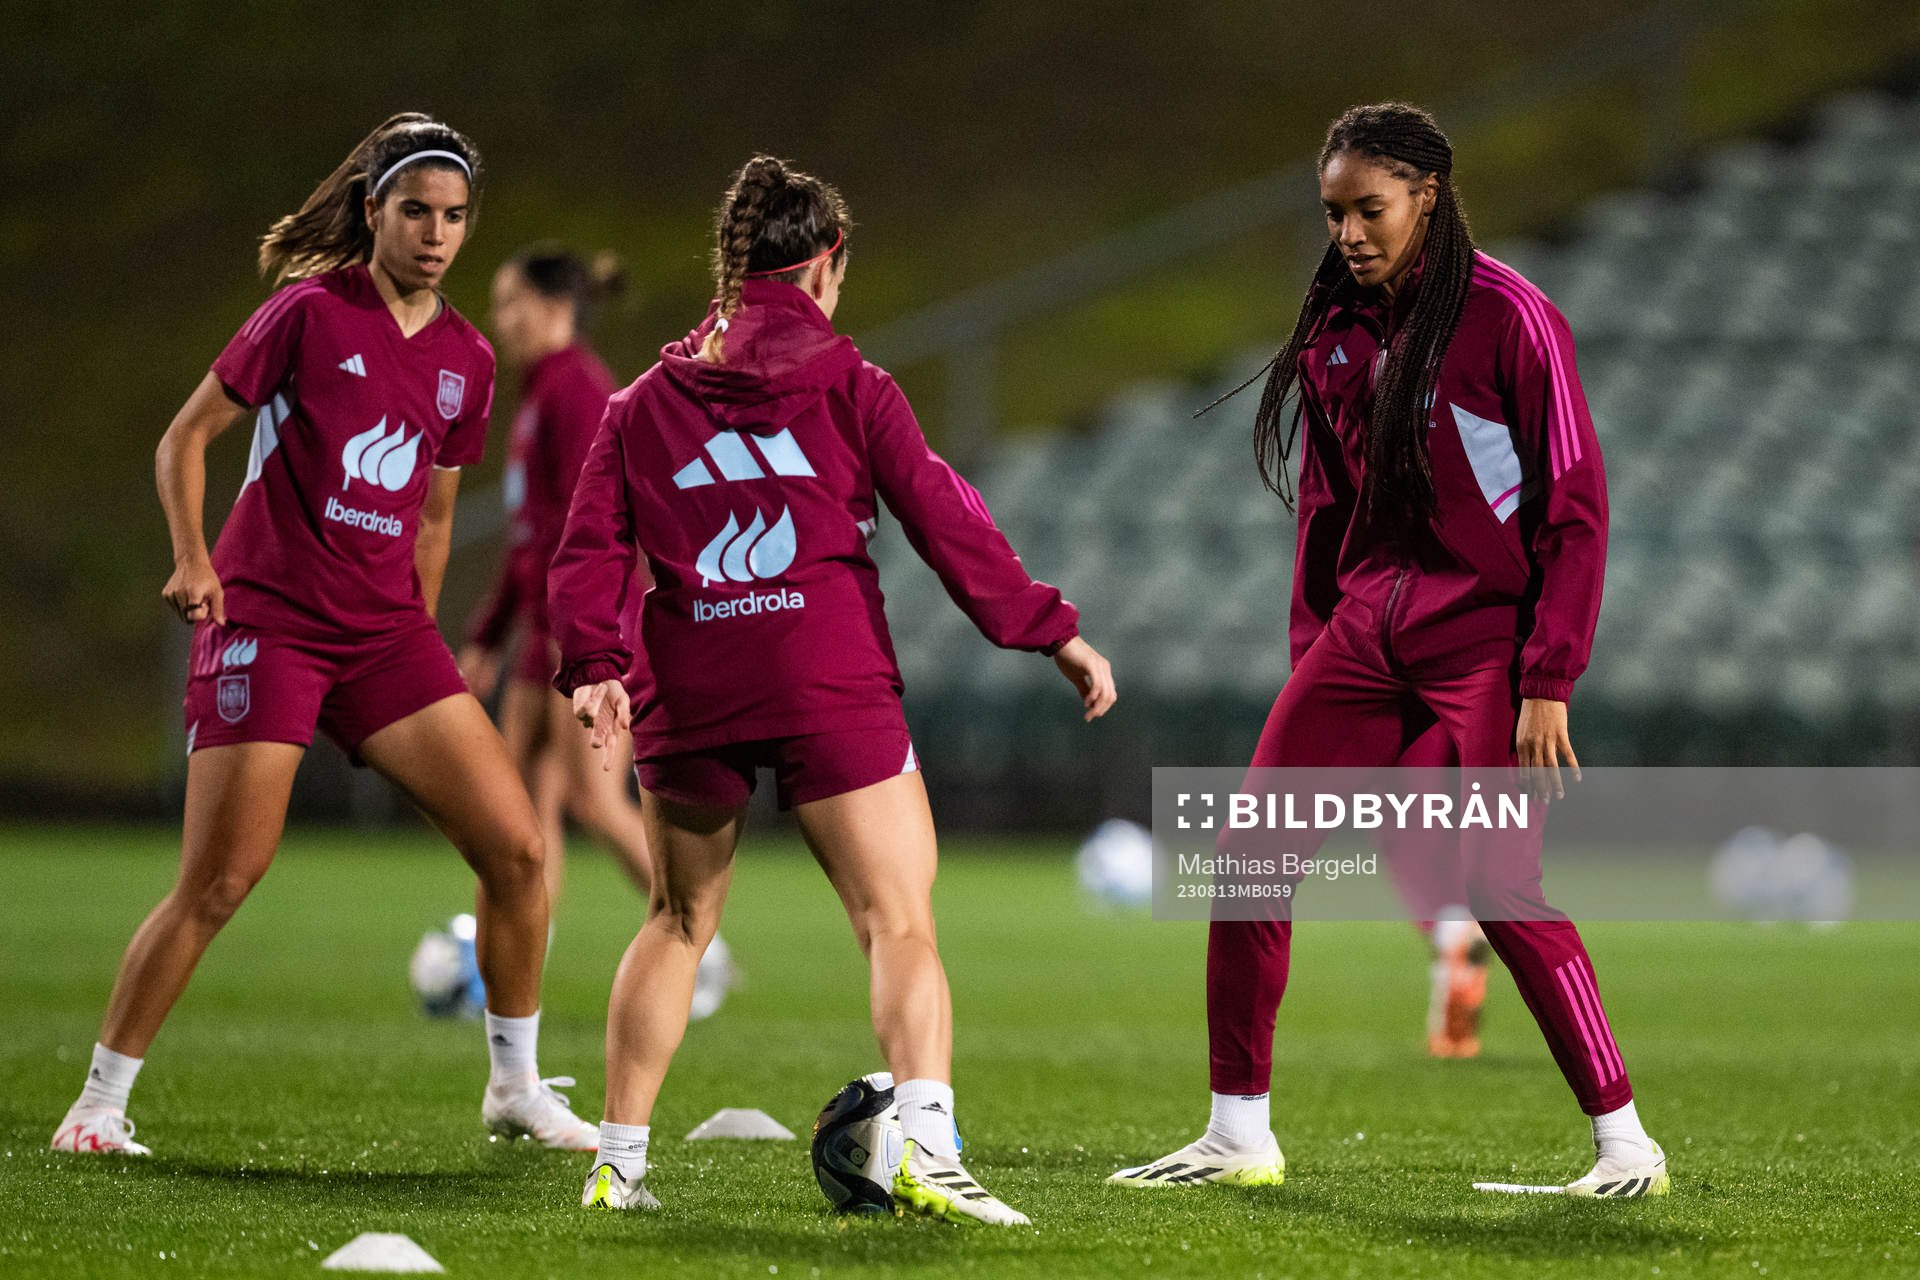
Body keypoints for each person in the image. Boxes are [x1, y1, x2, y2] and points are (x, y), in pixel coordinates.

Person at [1109, 103, 1666, 1197]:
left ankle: (1625, 1146)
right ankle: (1237, 1133)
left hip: (1483, 646)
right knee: (1249, 857)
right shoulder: (1335, 329)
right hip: (1367, 634)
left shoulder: (1512, 316)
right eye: (1333, 212)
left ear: (1429, 197)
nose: (1350, 232)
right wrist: (1319, 647)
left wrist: (1548, 677)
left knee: (1503, 887)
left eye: (1370, 208)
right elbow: (1327, 503)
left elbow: (1576, 505)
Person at [548, 155, 1116, 1222]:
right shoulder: (854, 383)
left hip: (695, 671)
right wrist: (1051, 634)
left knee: (676, 919)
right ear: (826, 264)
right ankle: (933, 1150)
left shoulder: (638, 406)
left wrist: (593, 666)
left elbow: (588, 550)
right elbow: (946, 519)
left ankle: (617, 1163)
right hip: (824, 670)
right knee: (897, 917)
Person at [50, 113, 597, 1157]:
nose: (436, 234)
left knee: (520, 849)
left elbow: (434, 516)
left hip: (383, 636)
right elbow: (185, 439)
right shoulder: (306, 312)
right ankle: (98, 1102)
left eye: (454, 217)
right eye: (415, 212)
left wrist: (420, 640)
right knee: (220, 878)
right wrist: (194, 554)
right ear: (372, 211)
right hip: (273, 618)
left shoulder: (470, 362)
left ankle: (515, 1089)